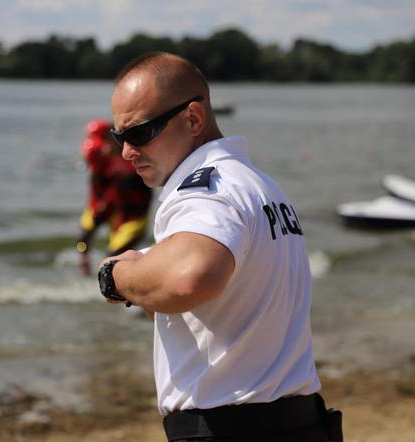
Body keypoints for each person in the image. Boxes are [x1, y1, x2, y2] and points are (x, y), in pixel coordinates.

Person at [96, 52, 342, 441]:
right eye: (119, 136)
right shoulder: (257, 184)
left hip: (229, 427)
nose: (127, 151)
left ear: (193, 118)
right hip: (300, 423)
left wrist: (116, 275)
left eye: (139, 132)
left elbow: (192, 278)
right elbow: (220, 304)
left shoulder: (203, 189)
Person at [77, 119, 152, 276]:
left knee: (112, 258)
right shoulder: (100, 160)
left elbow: (122, 192)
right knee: (83, 239)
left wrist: (104, 206)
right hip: (108, 209)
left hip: (132, 217)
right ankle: (84, 271)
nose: (102, 146)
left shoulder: (131, 164)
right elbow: (99, 189)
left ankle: (120, 290)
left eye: (105, 139)